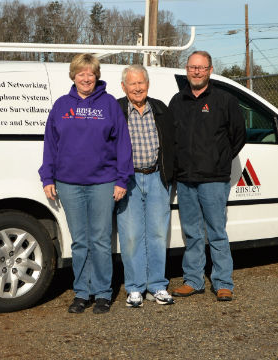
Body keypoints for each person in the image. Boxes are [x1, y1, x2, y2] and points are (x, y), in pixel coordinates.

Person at [39, 53, 133, 314]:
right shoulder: (61, 106)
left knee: (101, 240)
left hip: (103, 182)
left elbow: (123, 144)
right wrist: (47, 177)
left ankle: (103, 292)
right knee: (79, 241)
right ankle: (82, 292)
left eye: (90, 73)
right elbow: (50, 145)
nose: (86, 78)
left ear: (96, 76)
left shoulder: (110, 105)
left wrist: (121, 179)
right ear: (73, 76)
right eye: (81, 73)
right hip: (69, 184)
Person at [169, 51, 246, 302]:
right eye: (193, 67)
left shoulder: (225, 100)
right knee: (192, 233)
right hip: (186, 178)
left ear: (210, 70)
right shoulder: (177, 101)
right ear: (187, 69)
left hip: (214, 179)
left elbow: (238, 136)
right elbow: (171, 139)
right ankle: (193, 280)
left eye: (201, 68)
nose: (197, 72)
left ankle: (223, 282)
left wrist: (220, 160)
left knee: (216, 232)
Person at [116, 65, 175, 308]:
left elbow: (173, 142)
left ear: (147, 85)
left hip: (157, 177)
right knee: (130, 236)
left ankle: (158, 286)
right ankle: (135, 288)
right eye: (132, 84)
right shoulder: (117, 109)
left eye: (141, 83)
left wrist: (170, 173)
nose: (138, 88)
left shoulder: (160, 108)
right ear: (124, 87)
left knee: (158, 234)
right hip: (128, 180)